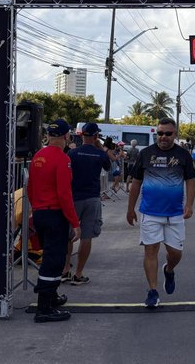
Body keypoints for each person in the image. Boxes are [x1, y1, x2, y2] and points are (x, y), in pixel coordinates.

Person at [126, 117, 195, 308]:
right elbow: (136, 182)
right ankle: (153, 291)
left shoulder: (183, 155)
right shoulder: (146, 154)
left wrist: (189, 204)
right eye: (159, 133)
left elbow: (190, 181)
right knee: (151, 250)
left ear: (175, 134)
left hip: (175, 213)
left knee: (175, 253)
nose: (163, 137)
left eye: (167, 133)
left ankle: (169, 270)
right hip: (150, 212)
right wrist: (130, 209)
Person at [27, 119, 81, 323]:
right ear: (66, 136)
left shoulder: (38, 156)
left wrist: (37, 208)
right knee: (54, 260)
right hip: (54, 215)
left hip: (40, 213)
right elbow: (64, 194)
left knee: (50, 256)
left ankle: (51, 296)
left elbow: (30, 188)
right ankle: (44, 307)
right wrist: (75, 223)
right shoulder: (62, 159)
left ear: (49, 135)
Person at [64, 122, 111, 285]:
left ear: (81, 135)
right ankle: (78, 273)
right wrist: (100, 147)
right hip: (92, 198)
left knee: (68, 235)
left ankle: (65, 270)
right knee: (87, 236)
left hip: (73, 197)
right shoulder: (100, 154)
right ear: (96, 136)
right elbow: (108, 166)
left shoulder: (72, 153)